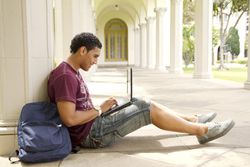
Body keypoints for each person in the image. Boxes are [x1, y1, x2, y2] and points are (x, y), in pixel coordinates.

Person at [47, 32, 235, 150]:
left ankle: (192, 119)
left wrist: (101, 109)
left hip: (94, 123)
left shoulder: (71, 72)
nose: (95, 61)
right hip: (91, 134)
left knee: (139, 100)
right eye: (94, 56)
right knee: (144, 107)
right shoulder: (65, 76)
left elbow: (76, 110)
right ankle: (201, 130)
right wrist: (98, 110)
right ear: (82, 50)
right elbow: (69, 119)